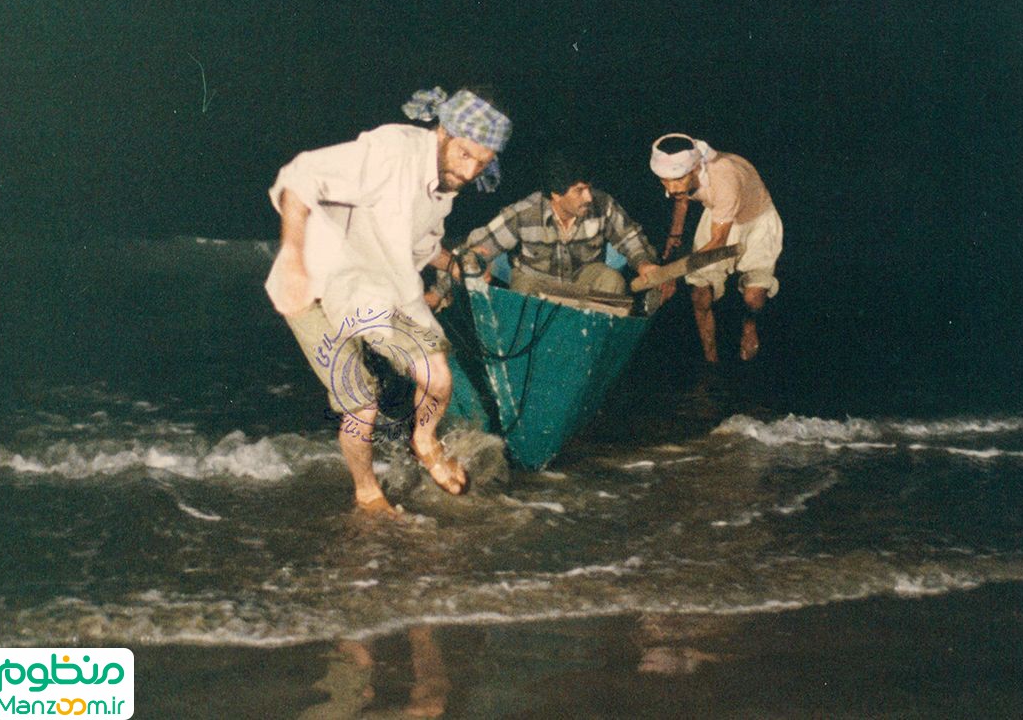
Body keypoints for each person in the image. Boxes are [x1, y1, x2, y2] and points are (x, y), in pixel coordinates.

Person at [265, 86, 512, 514]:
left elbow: (418, 243)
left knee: (437, 374)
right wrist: (290, 257)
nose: (472, 172)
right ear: (444, 131)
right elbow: (300, 174)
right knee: (361, 404)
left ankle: (424, 440)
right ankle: (366, 491)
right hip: (313, 288)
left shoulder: (444, 185)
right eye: (466, 155)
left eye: (483, 163)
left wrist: (455, 263)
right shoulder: (390, 151)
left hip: (368, 292)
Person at [649, 133, 783, 363]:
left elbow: (717, 243)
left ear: (694, 169)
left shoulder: (723, 179)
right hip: (719, 214)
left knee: (753, 297)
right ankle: (712, 362)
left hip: (757, 219)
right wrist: (675, 233)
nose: (670, 188)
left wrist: (671, 274)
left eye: (677, 180)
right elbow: (682, 198)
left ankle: (750, 327)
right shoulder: (679, 174)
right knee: (700, 294)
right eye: (664, 181)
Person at [459, 152, 660, 296]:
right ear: (556, 194)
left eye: (589, 188)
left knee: (612, 280)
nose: (589, 197)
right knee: (523, 287)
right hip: (537, 283)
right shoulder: (524, 213)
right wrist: (471, 267)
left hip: (583, 281)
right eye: (580, 190)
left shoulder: (603, 204)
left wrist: (643, 263)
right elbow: (477, 248)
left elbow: (629, 238)